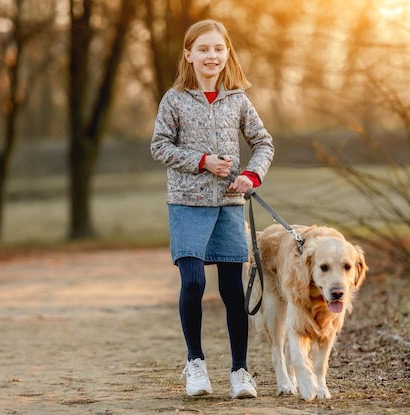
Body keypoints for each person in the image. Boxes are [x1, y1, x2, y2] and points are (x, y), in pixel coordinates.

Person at [150, 19, 274, 399]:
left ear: (227, 55)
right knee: (193, 282)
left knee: (233, 291)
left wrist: (251, 177)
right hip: (187, 205)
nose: (212, 55)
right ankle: (196, 365)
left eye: (218, 49)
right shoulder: (174, 99)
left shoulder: (237, 99)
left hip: (228, 206)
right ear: (188, 54)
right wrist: (202, 160)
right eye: (203, 49)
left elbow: (264, 143)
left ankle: (240, 371)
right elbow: (159, 147)